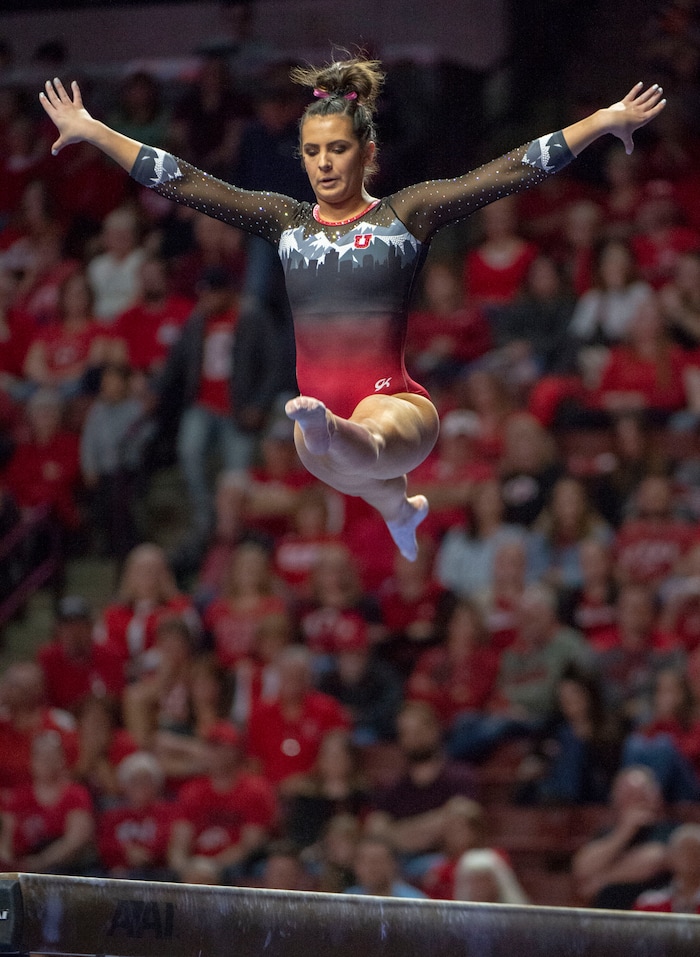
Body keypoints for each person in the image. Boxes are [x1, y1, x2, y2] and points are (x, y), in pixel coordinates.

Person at [39, 64, 666, 562]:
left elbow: (510, 171)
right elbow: (183, 181)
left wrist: (601, 120)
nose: (324, 163)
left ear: (367, 154)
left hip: (397, 406)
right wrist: (94, 130)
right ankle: (395, 507)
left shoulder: (405, 215)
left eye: (338, 149)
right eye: (312, 151)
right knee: (316, 442)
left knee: (347, 434)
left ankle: (347, 445)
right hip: (324, 429)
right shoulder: (285, 221)